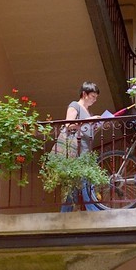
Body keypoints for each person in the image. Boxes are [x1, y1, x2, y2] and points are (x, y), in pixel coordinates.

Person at [57, 82, 102, 211]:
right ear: (84, 94)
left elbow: (85, 130)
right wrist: (90, 120)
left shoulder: (87, 111)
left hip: (84, 149)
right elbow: (68, 125)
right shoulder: (74, 105)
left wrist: (96, 125)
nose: (94, 100)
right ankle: (93, 210)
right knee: (83, 181)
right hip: (75, 150)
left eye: (96, 97)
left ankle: (66, 214)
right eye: (93, 96)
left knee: (76, 184)